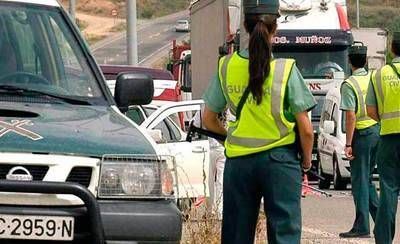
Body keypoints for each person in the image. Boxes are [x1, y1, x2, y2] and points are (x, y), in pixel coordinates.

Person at [202, 0, 316, 243]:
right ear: (275, 28)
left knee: (236, 235)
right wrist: (306, 161)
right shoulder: (286, 70)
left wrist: (229, 137)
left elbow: (208, 119)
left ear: (244, 25)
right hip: (280, 163)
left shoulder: (227, 66)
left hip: (239, 164)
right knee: (284, 234)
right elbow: (306, 130)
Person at [339, 43, 380, 238]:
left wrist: (348, 143)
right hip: (378, 131)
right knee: (367, 180)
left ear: (349, 61)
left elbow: (350, 116)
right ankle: (380, 220)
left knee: (359, 182)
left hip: (361, 136)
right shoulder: (373, 78)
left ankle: (362, 226)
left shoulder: (349, 84)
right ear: (366, 60)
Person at [367, 32, 400, 244]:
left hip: (389, 138)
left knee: (388, 189)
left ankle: (385, 240)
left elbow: (370, 110)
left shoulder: (379, 74)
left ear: (391, 49)